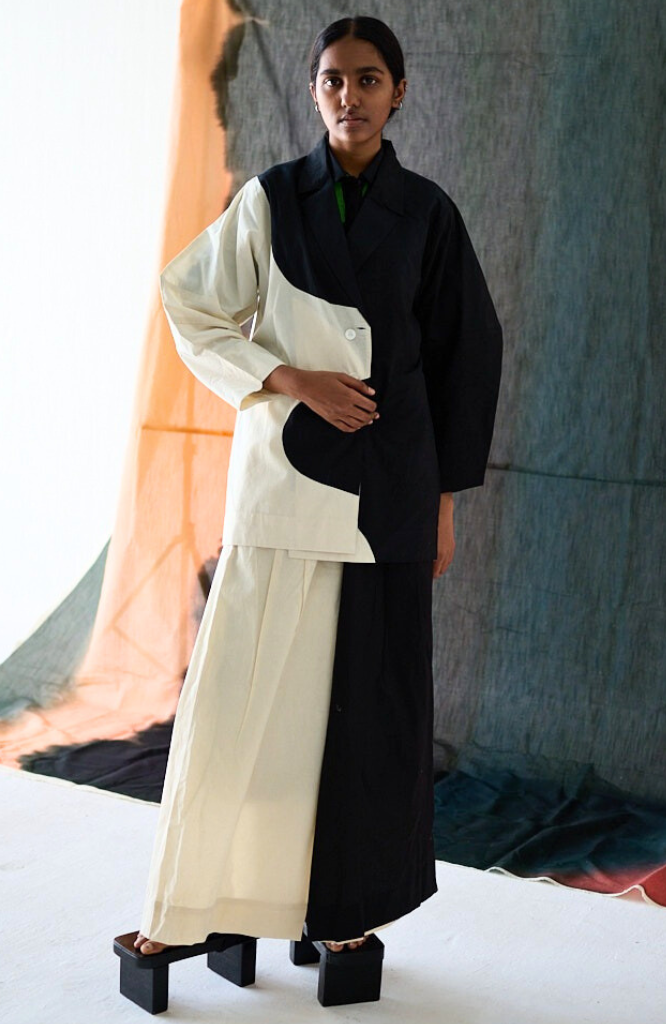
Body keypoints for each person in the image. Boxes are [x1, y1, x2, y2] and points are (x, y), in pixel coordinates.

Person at [130, 15, 502, 965]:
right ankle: (205, 904)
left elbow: (466, 360)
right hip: (284, 484)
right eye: (333, 78)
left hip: (390, 498)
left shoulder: (428, 213)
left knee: (368, 722)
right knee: (244, 700)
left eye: (369, 79)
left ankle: (343, 914)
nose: (350, 95)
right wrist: (290, 377)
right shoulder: (269, 200)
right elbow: (189, 299)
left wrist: (443, 506)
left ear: (399, 92)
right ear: (313, 91)